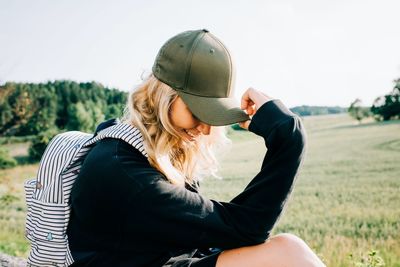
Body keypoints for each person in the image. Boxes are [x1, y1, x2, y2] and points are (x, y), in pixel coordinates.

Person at [67, 29, 325, 267]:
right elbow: (246, 228)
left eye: (213, 114)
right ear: (161, 96)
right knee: (287, 253)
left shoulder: (133, 149)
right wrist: (289, 136)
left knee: (288, 248)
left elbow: (222, 232)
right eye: (197, 111)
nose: (205, 128)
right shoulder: (128, 176)